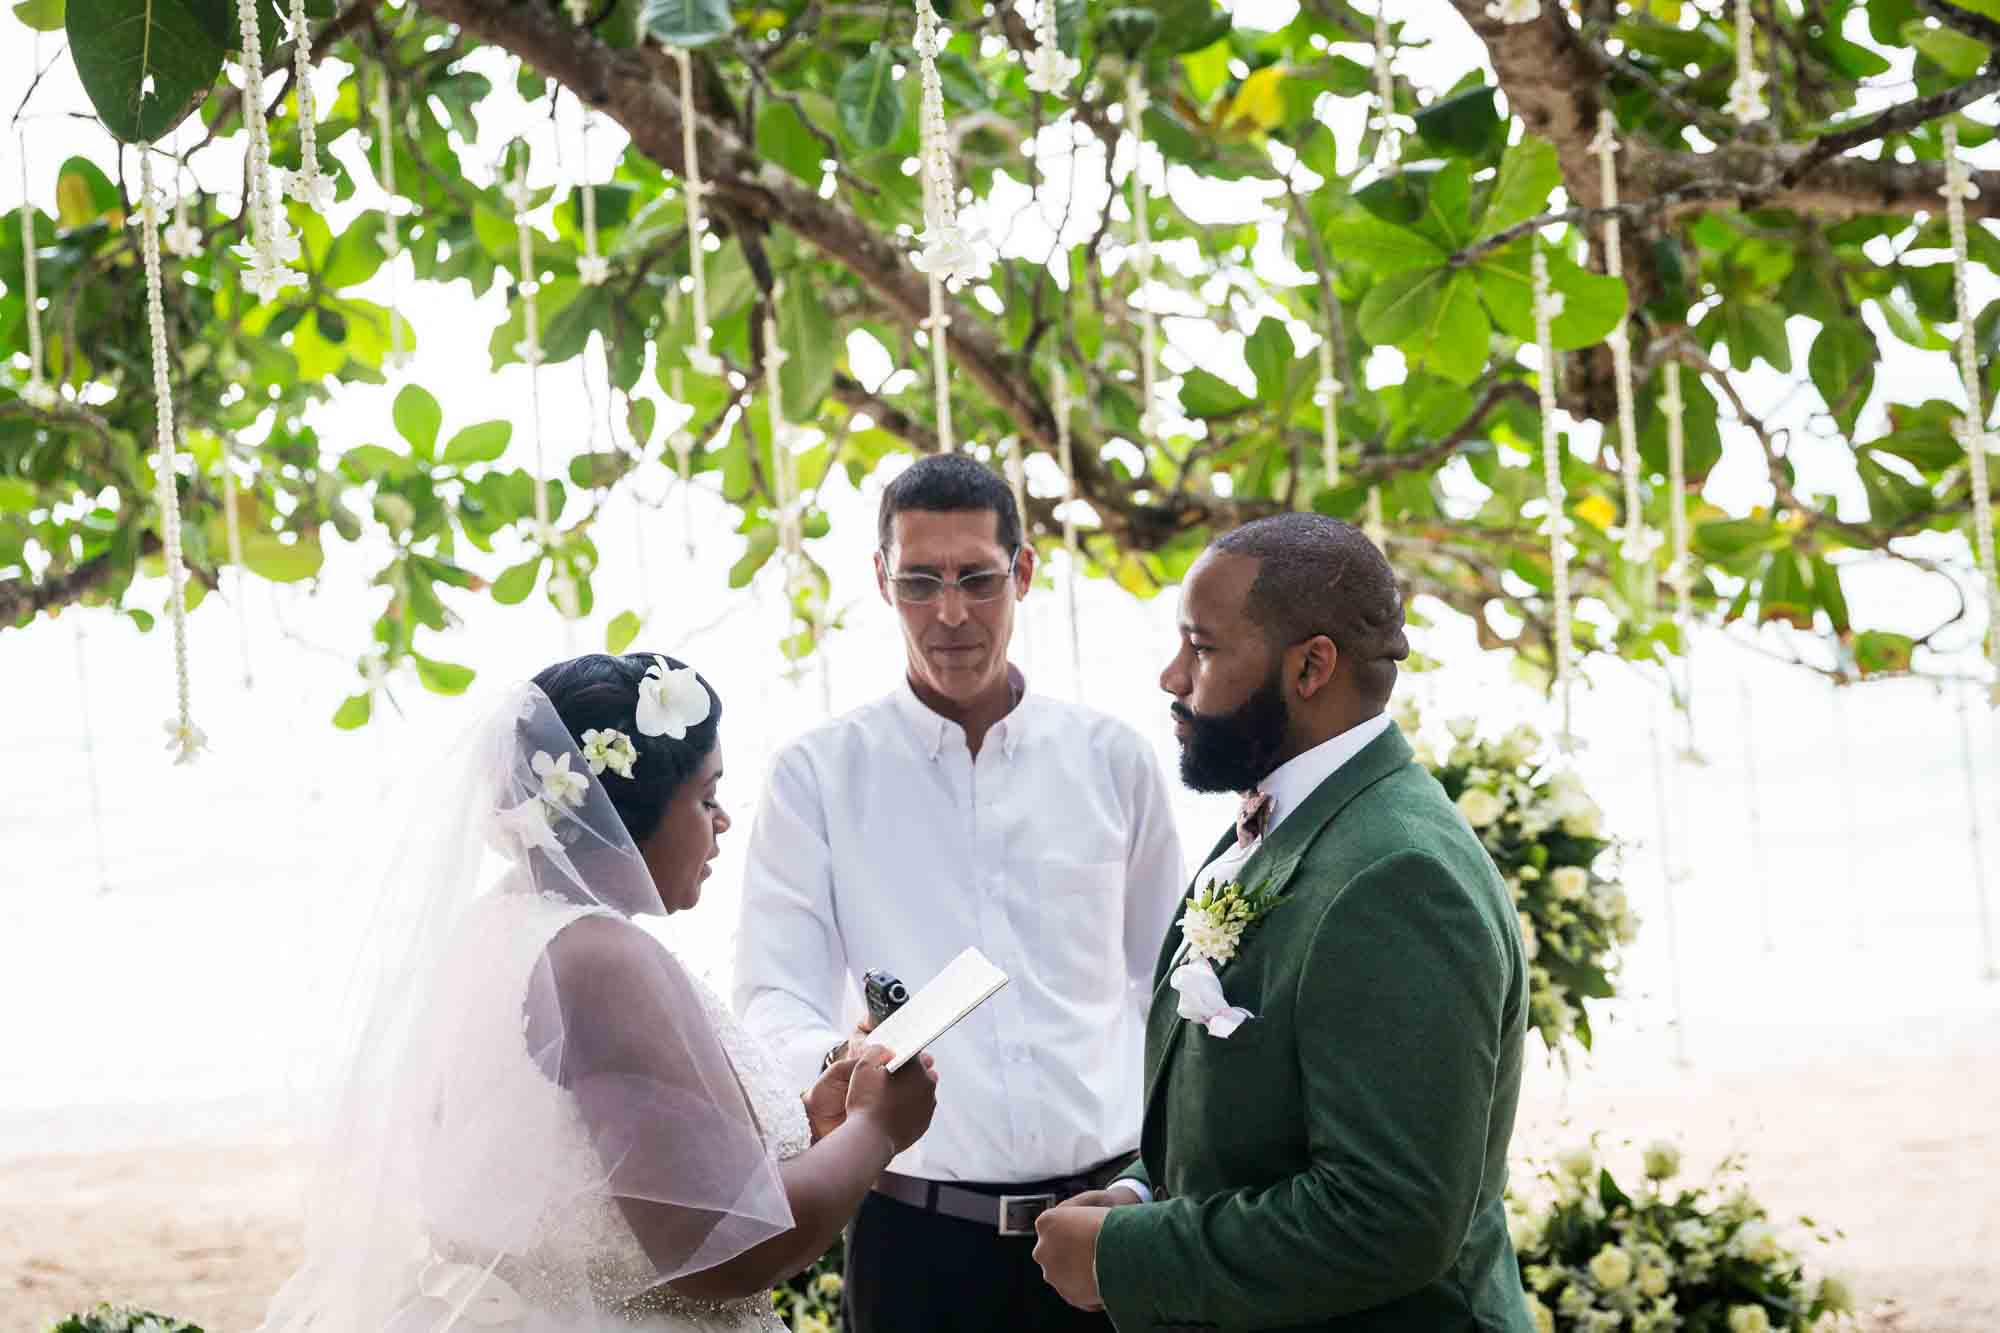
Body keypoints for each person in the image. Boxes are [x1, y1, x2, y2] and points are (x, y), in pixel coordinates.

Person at [259, 653, 938, 1333]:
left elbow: (619, 1160)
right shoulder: (602, 959)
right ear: (629, 810)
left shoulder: (505, 922)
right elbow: (726, 1249)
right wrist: (876, 1129)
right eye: (706, 797)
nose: (724, 820)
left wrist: (808, 1119)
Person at [1031, 513, 1534, 1332]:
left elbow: (1390, 1216)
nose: (1170, 676)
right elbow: (1259, 1120)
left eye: (1202, 647)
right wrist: (1139, 1189)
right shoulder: (1291, 821)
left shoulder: (1399, 877)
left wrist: (1128, 1253)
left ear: (1310, 666)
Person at [733, 453, 1187, 1333]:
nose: (950, 612)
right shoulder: (815, 776)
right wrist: (842, 1062)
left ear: (1022, 572)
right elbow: (772, 997)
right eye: (919, 581)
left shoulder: (1115, 763)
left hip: (1109, 1232)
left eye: (977, 578)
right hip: (914, 1245)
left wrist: (1152, 1184)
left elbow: (1166, 996)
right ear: (880, 580)